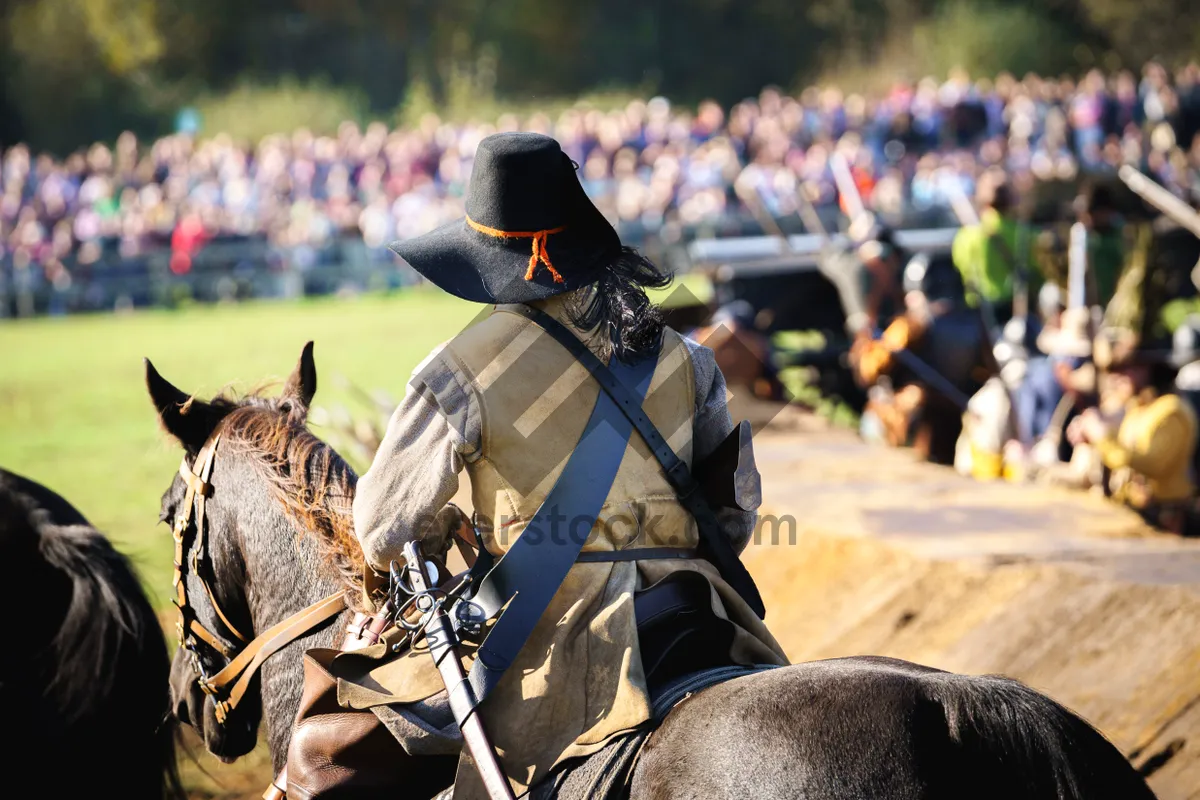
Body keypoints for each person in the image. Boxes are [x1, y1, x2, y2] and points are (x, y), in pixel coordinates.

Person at [319, 133, 787, 799]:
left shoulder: (458, 370)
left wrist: (448, 530)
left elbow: (381, 529)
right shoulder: (687, 357)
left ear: (488, 258)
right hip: (701, 616)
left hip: (557, 648)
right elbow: (732, 521)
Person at [1069, 333, 1198, 534]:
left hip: (1165, 518)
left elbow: (1152, 464)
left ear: (1148, 368)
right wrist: (1094, 439)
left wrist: (1102, 436)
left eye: (1125, 368)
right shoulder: (1138, 408)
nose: (1117, 376)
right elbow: (1123, 455)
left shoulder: (1172, 410)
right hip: (1138, 512)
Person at [951, 176, 1032, 326]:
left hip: (977, 313)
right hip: (1013, 312)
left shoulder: (966, 236)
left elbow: (959, 266)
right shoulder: (1022, 234)